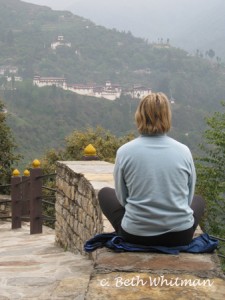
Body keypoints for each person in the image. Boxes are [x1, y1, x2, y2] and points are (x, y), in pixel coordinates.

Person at [98, 92, 205, 247]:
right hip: (180, 236)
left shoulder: (125, 151)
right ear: (167, 116)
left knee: (105, 193)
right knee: (198, 200)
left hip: (136, 235)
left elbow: (122, 199)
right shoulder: (184, 151)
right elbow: (187, 199)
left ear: (139, 116)